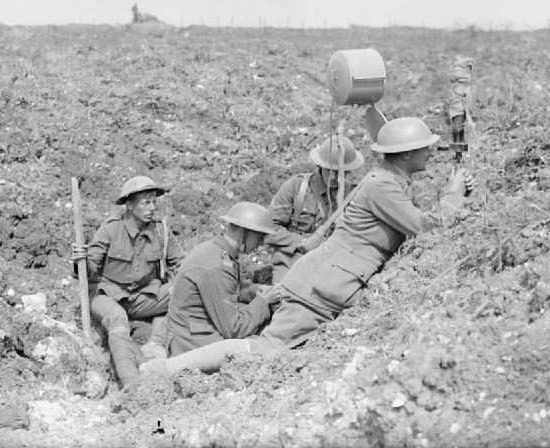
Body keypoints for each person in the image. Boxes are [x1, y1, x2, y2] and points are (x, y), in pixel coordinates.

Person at [140, 117, 474, 375]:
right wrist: (454, 196)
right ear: (406, 154)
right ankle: (165, 370)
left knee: (265, 347)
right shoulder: (382, 186)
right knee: (265, 350)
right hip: (317, 287)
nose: (431, 152)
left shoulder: (387, 181)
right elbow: (425, 227)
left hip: (320, 281)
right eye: (425, 147)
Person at [72, 175, 185, 388]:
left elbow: (181, 264)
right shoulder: (111, 229)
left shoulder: (161, 231)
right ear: (130, 205)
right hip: (106, 295)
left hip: (143, 298)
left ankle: (155, 347)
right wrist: (81, 260)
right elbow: (89, 270)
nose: (152, 207)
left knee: (183, 293)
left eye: (154, 202)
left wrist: (185, 280)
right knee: (117, 318)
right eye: (146, 202)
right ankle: (132, 385)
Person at [166, 202, 282, 357]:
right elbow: (234, 329)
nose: (261, 243)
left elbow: (231, 289)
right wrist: (263, 302)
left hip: (196, 331)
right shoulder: (218, 266)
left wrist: (254, 291)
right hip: (192, 344)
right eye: (260, 236)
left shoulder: (217, 250)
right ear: (243, 233)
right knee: (265, 349)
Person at [266, 135, 365, 283]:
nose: (333, 178)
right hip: (291, 259)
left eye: (338, 173)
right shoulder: (297, 187)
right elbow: (269, 229)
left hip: (331, 264)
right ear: (320, 166)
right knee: (282, 298)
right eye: (328, 171)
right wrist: (303, 241)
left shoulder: (354, 195)